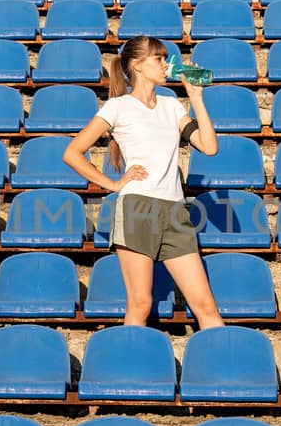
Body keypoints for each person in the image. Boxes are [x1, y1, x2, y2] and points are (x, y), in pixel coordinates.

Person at [62, 36, 225, 328]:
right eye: (159, 59)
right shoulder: (117, 107)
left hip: (176, 213)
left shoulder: (171, 105)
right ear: (137, 65)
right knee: (141, 303)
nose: (166, 65)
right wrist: (112, 184)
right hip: (138, 208)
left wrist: (197, 98)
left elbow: (210, 147)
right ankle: (128, 372)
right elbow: (73, 153)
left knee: (206, 306)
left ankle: (223, 372)